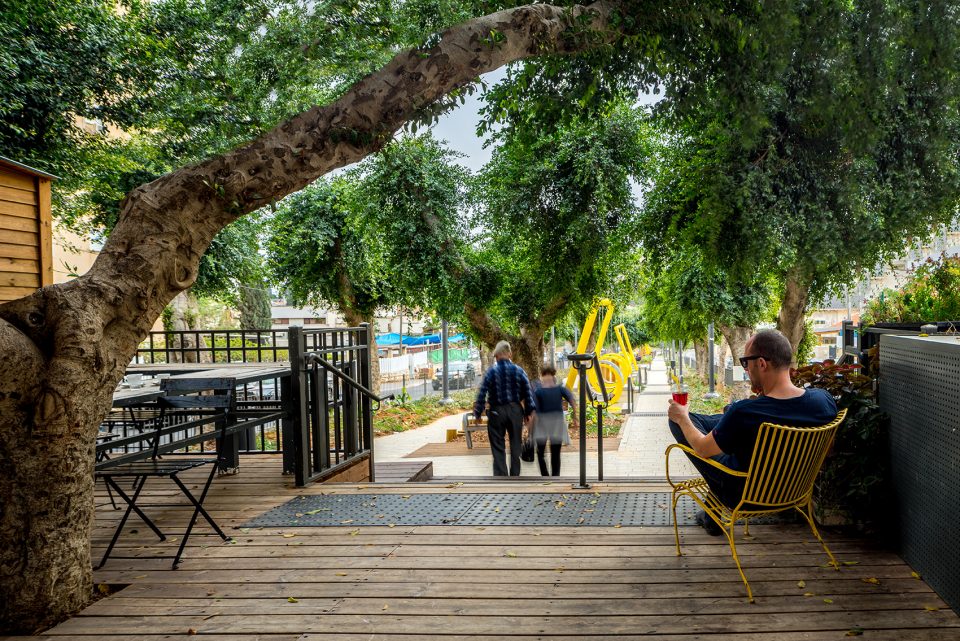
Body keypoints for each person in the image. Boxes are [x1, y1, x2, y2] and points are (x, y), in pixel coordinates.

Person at [667, 329, 838, 534]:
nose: (746, 369)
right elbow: (828, 450)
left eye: (746, 362)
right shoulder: (823, 400)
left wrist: (682, 417)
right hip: (796, 492)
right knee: (730, 421)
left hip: (744, 496)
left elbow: (702, 449)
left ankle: (713, 512)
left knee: (682, 422)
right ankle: (711, 515)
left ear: (762, 364)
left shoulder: (746, 413)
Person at [473, 341, 537, 476]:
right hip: (515, 411)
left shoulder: (491, 372)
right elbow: (528, 392)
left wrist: (478, 413)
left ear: (496, 356)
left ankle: (501, 476)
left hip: (496, 411)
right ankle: (515, 475)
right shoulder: (519, 371)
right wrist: (529, 412)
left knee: (497, 445)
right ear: (510, 354)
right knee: (516, 443)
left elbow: (482, 393)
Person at [531, 366, 577, 476]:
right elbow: (572, 401)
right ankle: (556, 476)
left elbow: (534, 411)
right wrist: (575, 417)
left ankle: (545, 475)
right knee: (555, 452)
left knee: (540, 452)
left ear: (542, 375)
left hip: (542, 423)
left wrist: (530, 427)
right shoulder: (560, 389)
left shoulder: (538, 391)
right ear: (553, 375)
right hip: (557, 422)